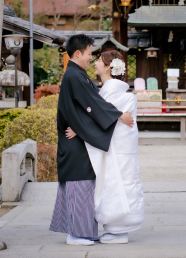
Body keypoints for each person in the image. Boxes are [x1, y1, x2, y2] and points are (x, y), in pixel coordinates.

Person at [48, 35, 135, 246]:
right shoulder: (74, 75)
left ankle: (83, 232)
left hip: (79, 139)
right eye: (89, 53)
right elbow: (93, 104)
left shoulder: (77, 74)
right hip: (74, 143)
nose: (91, 58)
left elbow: (92, 103)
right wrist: (119, 115)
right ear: (78, 53)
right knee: (79, 186)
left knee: (85, 187)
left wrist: (80, 128)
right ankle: (75, 235)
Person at [65, 50, 144, 244]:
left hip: (118, 149)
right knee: (113, 185)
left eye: (99, 60)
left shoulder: (120, 95)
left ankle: (119, 230)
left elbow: (99, 115)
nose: (95, 63)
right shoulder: (107, 92)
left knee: (117, 184)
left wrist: (79, 129)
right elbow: (99, 113)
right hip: (114, 148)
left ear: (108, 67)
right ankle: (115, 230)